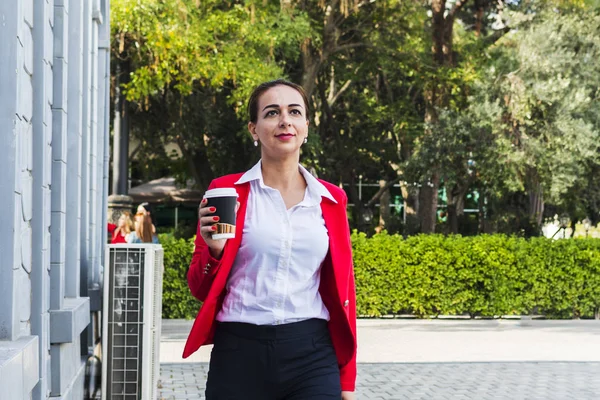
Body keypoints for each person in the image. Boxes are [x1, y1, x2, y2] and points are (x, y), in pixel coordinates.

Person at [183, 79, 357, 400]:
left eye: (294, 111)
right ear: (254, 128)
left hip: (312, 353)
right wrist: (214, 250)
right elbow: (200, 288)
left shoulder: (331, 199)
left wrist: (347, 380)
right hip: (238, 352)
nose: (284, 120)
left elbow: (345, 290)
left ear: (306, 125)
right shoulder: (226, 192)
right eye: (272, 112)